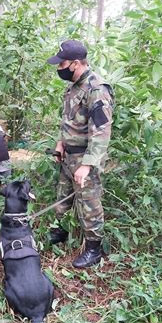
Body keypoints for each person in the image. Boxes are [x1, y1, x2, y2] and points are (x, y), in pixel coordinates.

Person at [46, 40, 114, 268]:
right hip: (68, 156)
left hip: (85, 158)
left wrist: (87, 165)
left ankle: (94, 250)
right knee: (62, 198)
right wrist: (60, 144)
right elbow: (67, 121)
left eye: (62, 64)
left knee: (89, 203)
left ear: (76, 63)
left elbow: (102, 132)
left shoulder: (97, 90)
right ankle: (61, 232)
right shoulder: (73, 87)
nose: (59, 68)